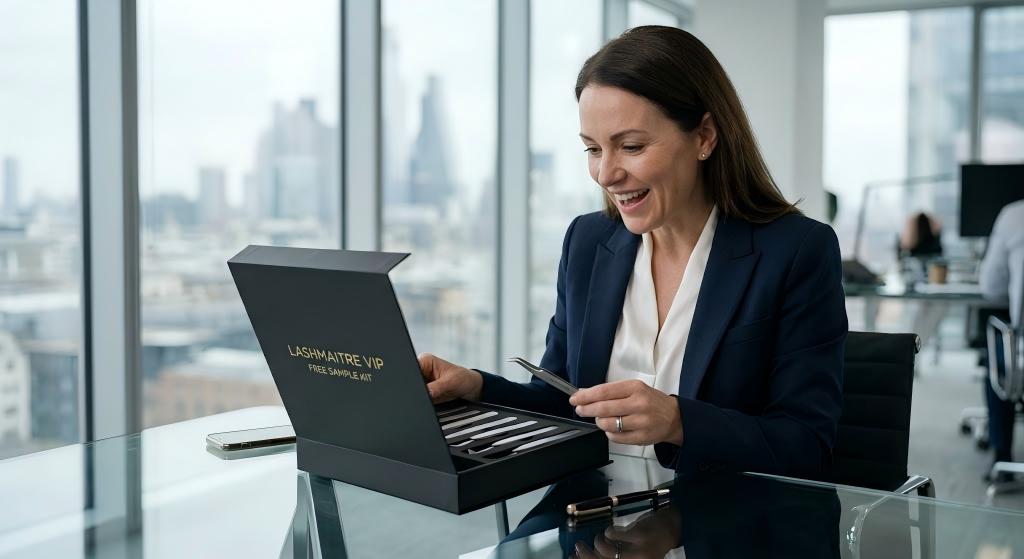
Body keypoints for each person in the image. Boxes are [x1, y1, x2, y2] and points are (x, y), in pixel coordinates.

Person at [418, 26, 847, 479]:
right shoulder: (587, 242)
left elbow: (807, 446)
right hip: (590, 518)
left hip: (721, 523)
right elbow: (566, 402)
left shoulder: (797, 251)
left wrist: (678, 422)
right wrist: (477, 387)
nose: (605, 173)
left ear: (704, 136)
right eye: (592, 149)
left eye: (631, 146)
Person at [979, 199, 1024, 475]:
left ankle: (1002, 457)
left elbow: (991, 286)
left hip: (1021, 357)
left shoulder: (1014, 215)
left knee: (999, 349)